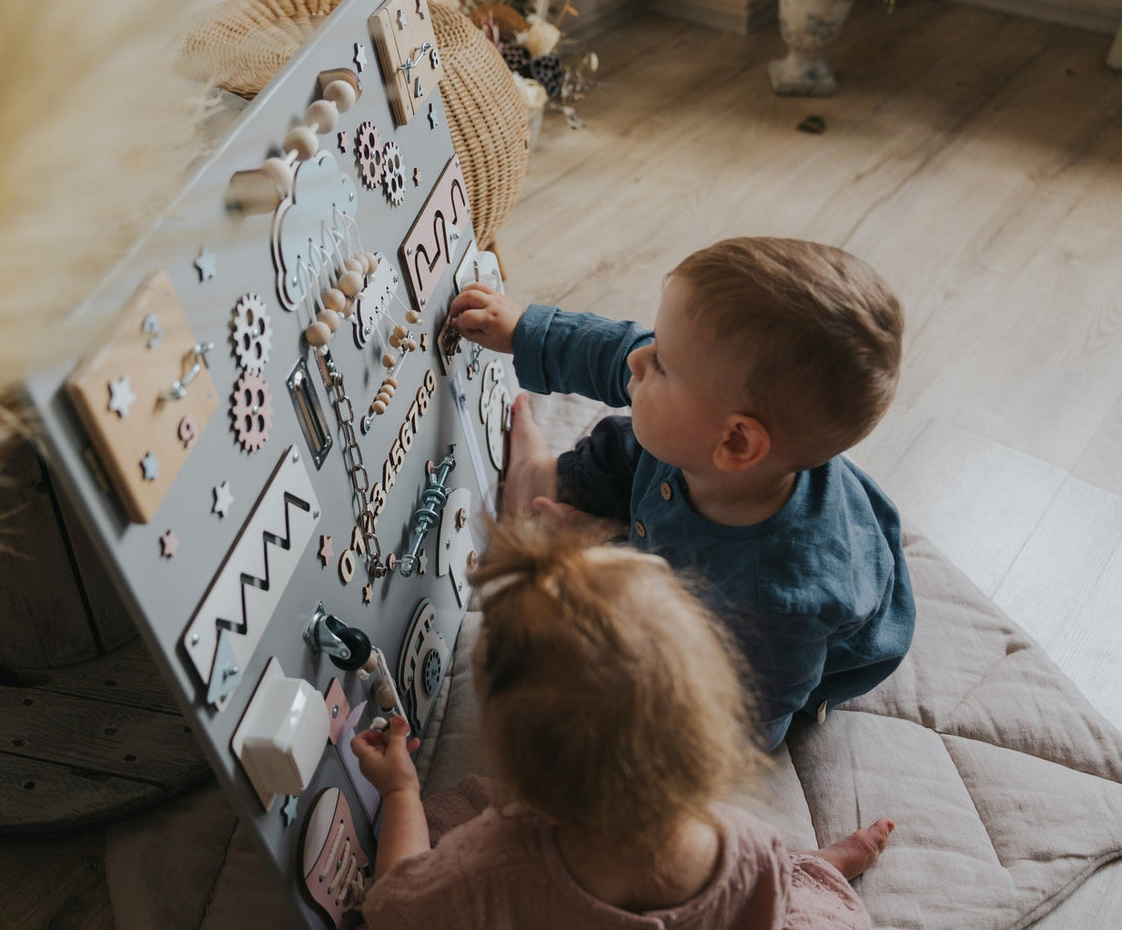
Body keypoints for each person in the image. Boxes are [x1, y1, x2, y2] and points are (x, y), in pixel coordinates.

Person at [444, 236, 914, 749]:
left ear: (736, 441)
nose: (639, 358)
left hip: (742, 628)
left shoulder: (775, 605)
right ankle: (542, 480)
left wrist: (615, 566)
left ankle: (619, 544)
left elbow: (744, 726)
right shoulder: (708, 438)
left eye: (662, 364)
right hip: (693, 487)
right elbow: (620, 350)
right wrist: (525, 331)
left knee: (636, 644)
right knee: (628, 444)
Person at [351, 520, 894, 929]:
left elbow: (393, 908)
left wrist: (400, 790)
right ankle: (816, 870)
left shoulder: (488, 870)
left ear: (522, 769)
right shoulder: (751, 851)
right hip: (750, 896)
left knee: (448, 816)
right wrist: (797, 872)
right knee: (790, 886)